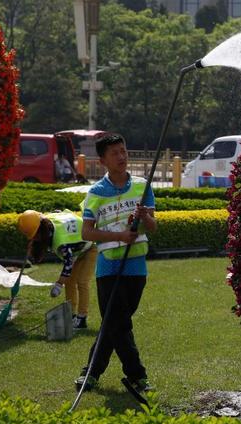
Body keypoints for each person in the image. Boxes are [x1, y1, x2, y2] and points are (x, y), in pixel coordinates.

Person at [75, 133, 156, 394]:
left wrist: (144, 217)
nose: (121, 157)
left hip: (136, 269)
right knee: (119, 323)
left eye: (123, 151)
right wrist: (120, 236)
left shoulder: (142, 186)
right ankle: (137, 375)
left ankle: (90, 374)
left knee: (114, 324)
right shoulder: (96, 193)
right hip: (108, 268)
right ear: (102, 161)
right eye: (114, 153)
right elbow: (87, 233)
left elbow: (152, 227)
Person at [18, 209, 97, 329]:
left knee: (82, 282)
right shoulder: (47, 220)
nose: (35, 239)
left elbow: (68, 264)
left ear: (41, 230)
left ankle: (82, 319)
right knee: (70, 282)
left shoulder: (61, 241)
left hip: (90, 247)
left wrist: (59, 284)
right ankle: (71, 316)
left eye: (35, 235)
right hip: (77, 250)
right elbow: (60, 211)